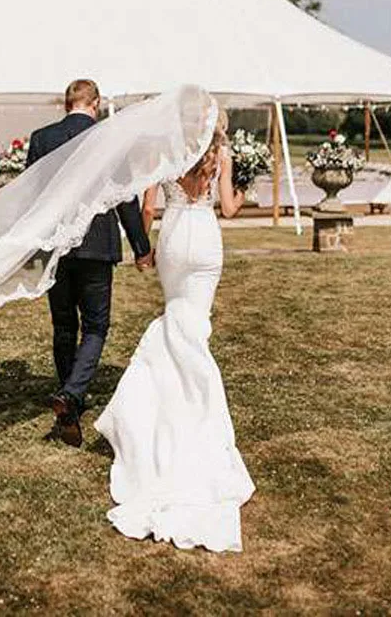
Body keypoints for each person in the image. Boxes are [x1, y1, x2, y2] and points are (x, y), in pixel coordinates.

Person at [94, 107, 255, 552]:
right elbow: (228, 208)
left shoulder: (164, 150)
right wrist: (243, 188)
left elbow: (148, 206)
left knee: (175, 320)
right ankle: (194, 403)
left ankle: (163, 399)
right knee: (194, 327)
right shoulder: (220, 151)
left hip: (173, 237)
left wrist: (142, 251)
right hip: (204, 237)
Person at [26, 79, 153, 447]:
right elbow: (126, 199)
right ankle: (70, 395)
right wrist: (141, 246)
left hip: (55, 246)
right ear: (95, 103)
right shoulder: (108, 138)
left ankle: (69, 396)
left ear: (67, 104)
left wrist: (30, 253)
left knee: (64, 324)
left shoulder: (41, 138)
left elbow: (30, 199)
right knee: (96, 325)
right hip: (97, 246)